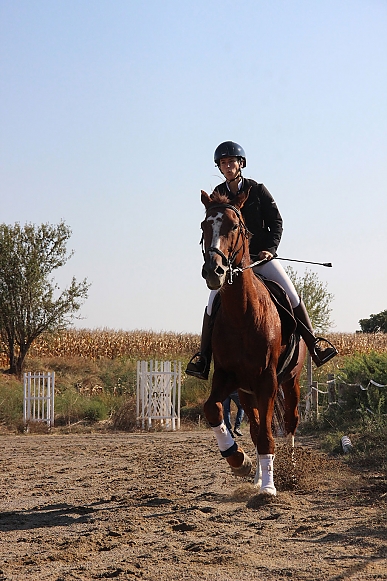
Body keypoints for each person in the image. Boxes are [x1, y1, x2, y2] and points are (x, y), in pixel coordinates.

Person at [186, 140, 338, 380]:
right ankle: (203, 358)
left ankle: (315, 344)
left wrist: (270, 248)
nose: (227, 166)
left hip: (261, 258)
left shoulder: (258, 190)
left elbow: (276, 222)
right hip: (231, 264)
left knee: (291, 293)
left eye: (231, 162)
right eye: (223, 163)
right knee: (211, 302)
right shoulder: (219, 194)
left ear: (241, 164)